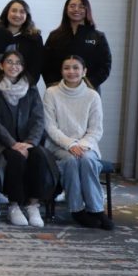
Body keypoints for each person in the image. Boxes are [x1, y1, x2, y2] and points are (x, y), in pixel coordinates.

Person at [44, 56, 112, 230]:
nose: (71, 71)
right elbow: (50, 127)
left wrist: (81, 145)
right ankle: (76, 209)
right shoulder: (51, 93)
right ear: (61, 71)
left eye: (76, 68)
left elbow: (96, 130)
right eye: (67, 68)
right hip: (58, 146)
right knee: (71, 160)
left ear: (84, 71)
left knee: (87, 160)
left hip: (86, 146)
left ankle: (96, 209)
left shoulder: (92, 95)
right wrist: (70, 144)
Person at [0, 50, 50, 227]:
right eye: (9, 62)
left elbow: (38, 119)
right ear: (1, 65)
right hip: (2, 142)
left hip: (28, 141)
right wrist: (13, 143)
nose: (13, 66)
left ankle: (33, 205)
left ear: (22, 67)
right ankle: (14, 205)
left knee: (39, 155)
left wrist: (30, 143)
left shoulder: (31, 89)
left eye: (18, 63)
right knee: (15, 159)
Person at [43, 0, 112, 91]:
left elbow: (105, 66)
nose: (76, 9)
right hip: (59, 90)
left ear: (87, 10)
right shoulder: (54, 36)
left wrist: (88, 84)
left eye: (81, 6)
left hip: (89, 90)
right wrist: (54, 85)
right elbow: (45, 63)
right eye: (72, 6)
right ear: (66, 10)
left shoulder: (98, 37)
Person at [0, 0, 44, 86]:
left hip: (24, 87)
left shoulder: (34, 38)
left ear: (27, 16)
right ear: (6, 13)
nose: (17, 15)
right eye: (14, 11)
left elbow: (36, 68)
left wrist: (24, 85)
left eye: (22, 12)